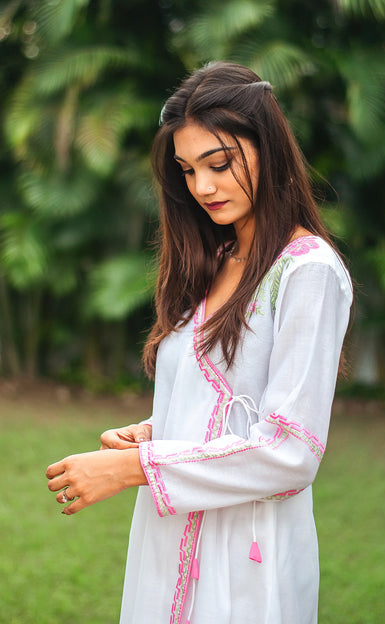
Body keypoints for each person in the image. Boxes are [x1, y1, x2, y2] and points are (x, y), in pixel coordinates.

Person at [46, 61, 353, 624]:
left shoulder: (308, 272)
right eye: (187, 170)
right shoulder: (213, 260)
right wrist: (154, 430)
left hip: (245, 555)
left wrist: (135, 467)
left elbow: (291, 451)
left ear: (269, 151)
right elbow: (225, 401)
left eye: (219, 163)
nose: (202, 187)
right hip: (170, 536)